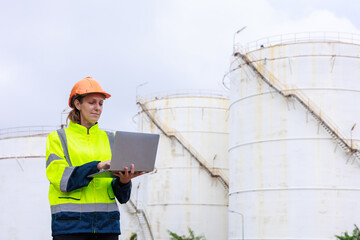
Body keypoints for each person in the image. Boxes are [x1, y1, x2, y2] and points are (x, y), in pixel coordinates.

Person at [45, 77, 143, 240]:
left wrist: (124, 181)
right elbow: (62, 179)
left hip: (107, 227)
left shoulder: (111, 138)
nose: (97, 108)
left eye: (100, 103)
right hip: (70, 227)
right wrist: (97, 166)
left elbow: (122, 197)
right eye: (92, 103)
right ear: (77, 104)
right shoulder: (58, 138)